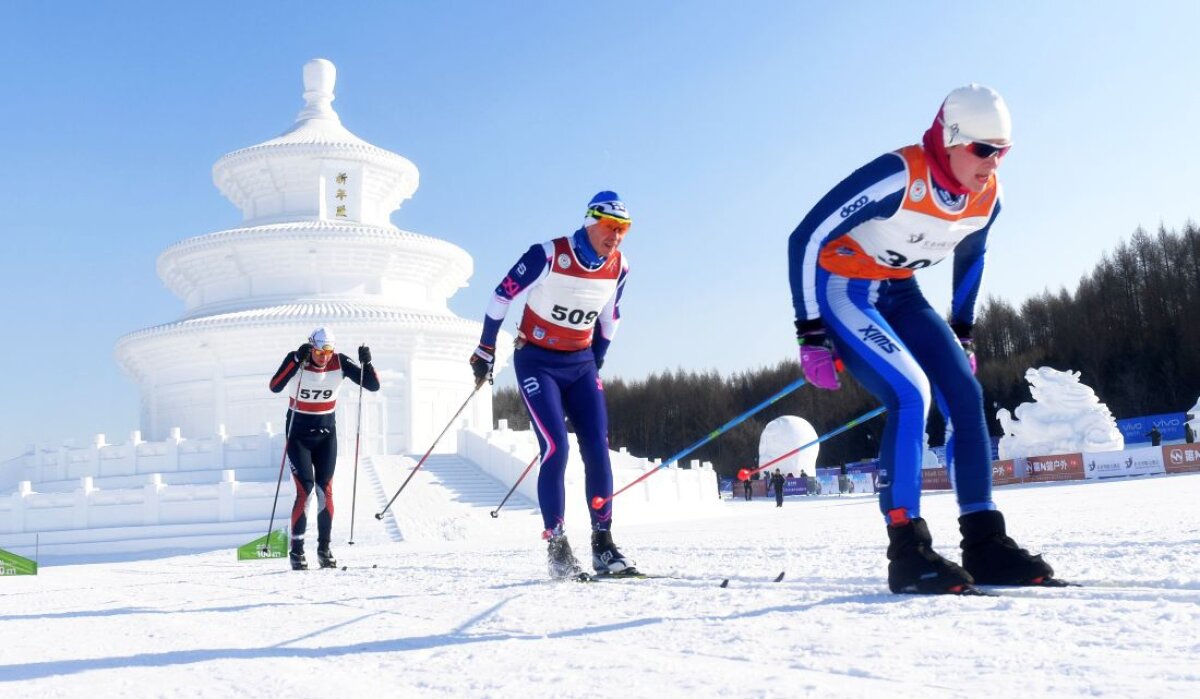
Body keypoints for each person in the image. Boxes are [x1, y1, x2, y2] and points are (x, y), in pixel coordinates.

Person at [787, 85, 1056, 594]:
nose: (993, 163)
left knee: (965, 395)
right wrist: (811, 332)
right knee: (912, 395)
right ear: (951, 139)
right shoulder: (899, 176)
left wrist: (963, 333)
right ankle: (907, 550)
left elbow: (972, 254)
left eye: (1003, 151)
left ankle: (983, 540)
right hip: (845, 288)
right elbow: (806, 237)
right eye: (983, 149)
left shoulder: (986, 196)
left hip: (901, 293)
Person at [469, 191, 634, 579]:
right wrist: (485, 349)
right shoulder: (548, 254)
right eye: (611, 227)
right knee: (556, 447)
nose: (617, 236)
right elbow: (500, 296)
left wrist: (596, 361)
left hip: (580, 364)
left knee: (597, 446)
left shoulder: (620, 266)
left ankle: (603, 543)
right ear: (591, 222)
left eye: (624, 229)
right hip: (537, 361)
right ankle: (558, 548)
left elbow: (611, 318)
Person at [269, 327, 379, 570]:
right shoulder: (297, 359)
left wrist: (367, 363)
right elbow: (275, 386)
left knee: (324, 490)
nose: (323, 356)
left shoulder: (339, 361)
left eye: (327, 351)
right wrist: (297, 360)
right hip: (298, 435)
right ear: (312, 347)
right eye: (319, 351)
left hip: (326, 435)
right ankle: (297, 551)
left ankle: (324, 549)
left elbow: (371, 385)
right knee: (304, 489)